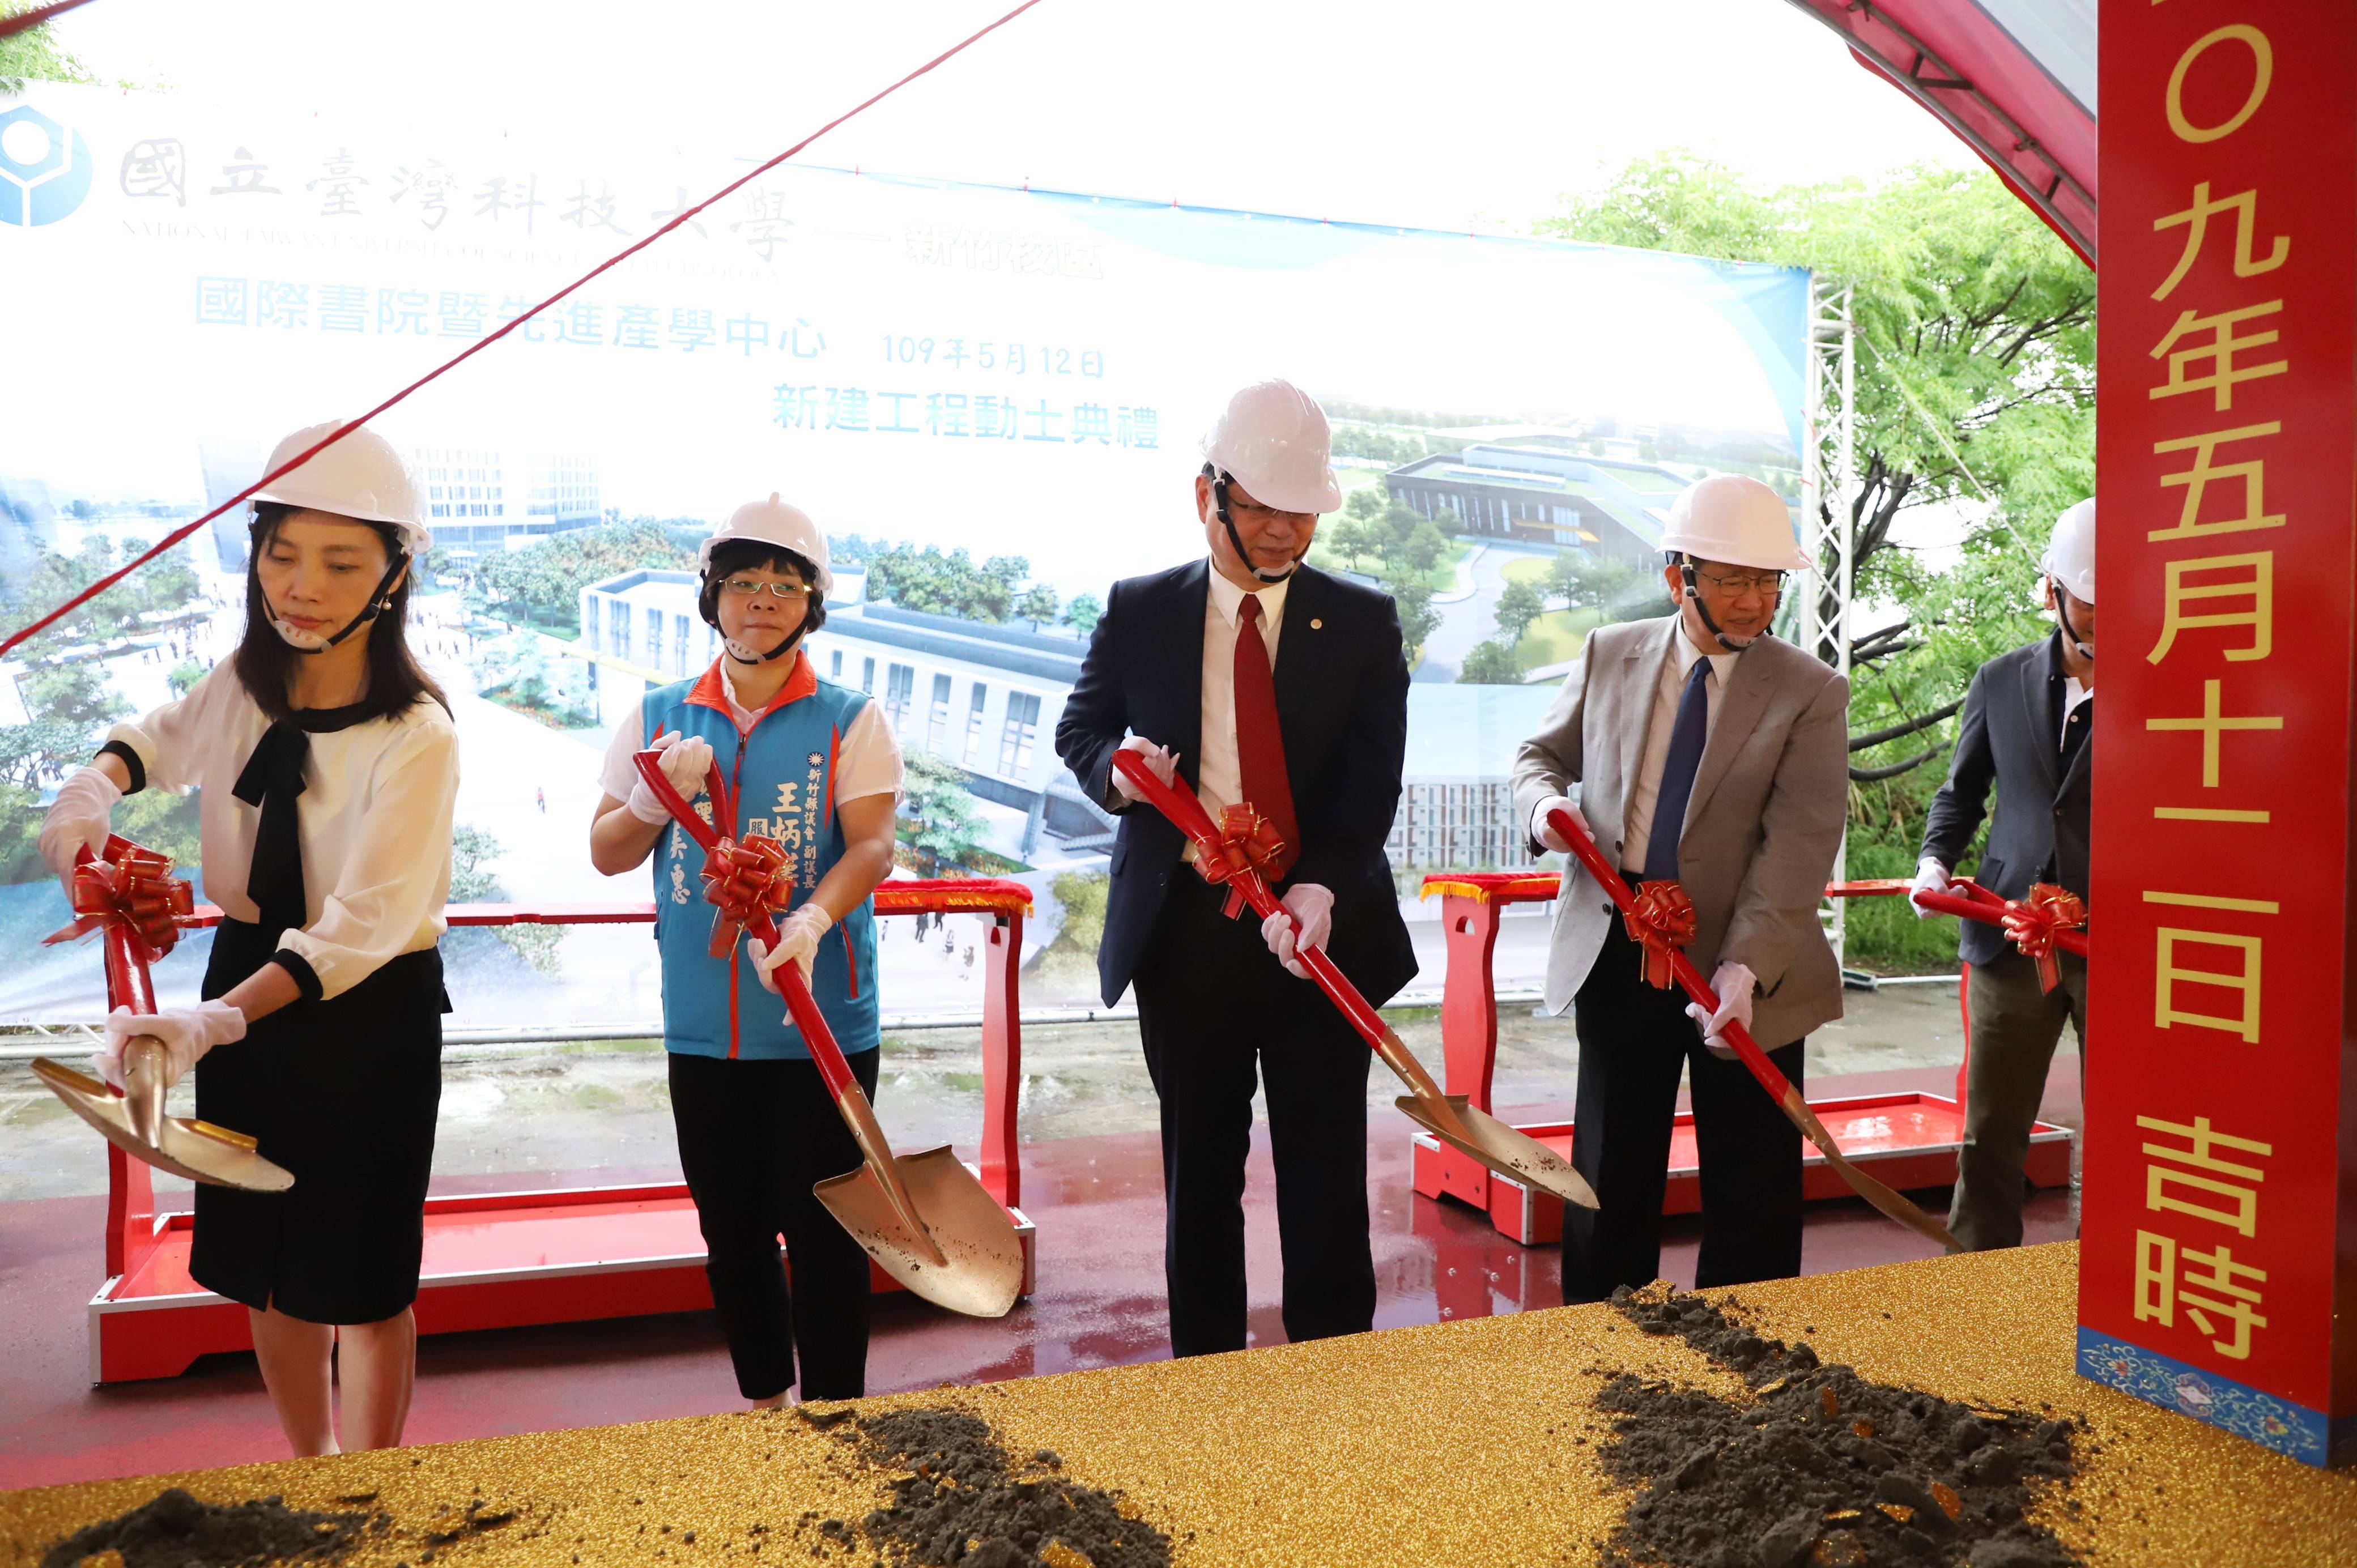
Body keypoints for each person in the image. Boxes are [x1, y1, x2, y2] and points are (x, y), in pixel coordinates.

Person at [39, 421, 459, 1456]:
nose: (301, 586)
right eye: (281, 552)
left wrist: (212, 1022)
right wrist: (94, 785)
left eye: (340, 560)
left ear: (394, 575)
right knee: (262, 1254)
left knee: (360, 1277)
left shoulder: (417, 737)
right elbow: (160, 737)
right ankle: (309, 1467)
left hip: (365, 1011)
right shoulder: (243, 681)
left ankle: (371, 1484)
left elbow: (361, 928)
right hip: (238, 983)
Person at [1055, 378, 1415, 1358]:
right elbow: (1080, 731)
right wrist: (1122, 778)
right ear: (1206, 494)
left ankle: (1335, 1376)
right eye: (1258, 508)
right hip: (1189, 935)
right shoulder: (1141, 611)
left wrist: (1322, 886)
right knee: (1201, 1175)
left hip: (1319, 936)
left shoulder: (1363, 621)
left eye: (1300, 512)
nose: (1282, 530)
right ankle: (1207, 1380)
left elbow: (1369, 782)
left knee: (1325, 1171)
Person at [587, 495, 901, 1408]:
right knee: (731, 1232)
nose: (763, 599)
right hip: (703, 1029)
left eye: (785, 584)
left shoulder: (849, 717)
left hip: (821, 1026)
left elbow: (873, 847)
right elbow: (605, 852)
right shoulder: (658, 714)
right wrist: (651, 802)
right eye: (744, 584)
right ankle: (764, 1407)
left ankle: (839, 1415)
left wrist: (809, 922)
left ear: (811, 603)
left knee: (830, 1232)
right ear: (713, 599)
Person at [1512, 474, 1848, 1303]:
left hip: (1745, 964)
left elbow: (1800, 841)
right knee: (1610, 1171)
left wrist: (1746, 968)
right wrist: (1547, 806)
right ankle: (1599, 1344)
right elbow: (1537, 760)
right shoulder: (1609, 653)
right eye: (1732, 580)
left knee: (1752, 1183)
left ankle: (1749, 1361)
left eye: (1768, 582)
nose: (1753, 602)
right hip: (1617, 942)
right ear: (1679, 578)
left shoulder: (1809, 690)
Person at [1911, 498, 2095, 1250]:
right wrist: (1934, 862)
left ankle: (2113, 1286)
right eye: (2093, 604)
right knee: (1990, 1132)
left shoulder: (2175, 690)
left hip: (2120, 946)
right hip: (2008, 937)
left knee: (2127, 1129)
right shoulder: (2000, 680)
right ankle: (1973, 1286)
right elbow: (1960, 794)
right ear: (2054, 594)